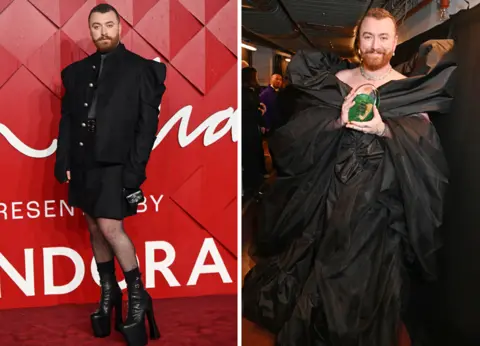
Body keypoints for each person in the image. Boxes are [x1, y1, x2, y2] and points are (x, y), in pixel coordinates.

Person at [243, 8, 456, 346]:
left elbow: (424, 147)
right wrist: (336, 122)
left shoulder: (408, 90)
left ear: (395, 42)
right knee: (321, 280)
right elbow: (295, 139)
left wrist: (384, 129)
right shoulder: (337, 84)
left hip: (378, 209)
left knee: (365, 290)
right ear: (358, 41)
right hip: (326, 201)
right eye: (368, 36)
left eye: (383, 37)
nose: (375, 45)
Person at [54, 4, 166, 346]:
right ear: (90, 30)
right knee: (93, 227)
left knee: (110, 227)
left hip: (117, 164)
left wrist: (134, 172)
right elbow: (68, 120)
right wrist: (65, 161)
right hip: (84, 163)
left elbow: (147, 129)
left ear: (121, 27)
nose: (103, 32)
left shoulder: (143, 70)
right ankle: (108, 294)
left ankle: (136, 297)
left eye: (109, 25)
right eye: (96, 26)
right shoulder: (74, 72)